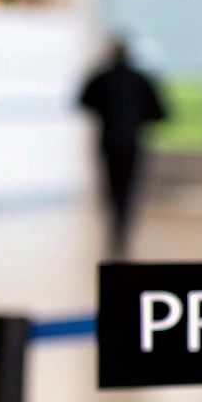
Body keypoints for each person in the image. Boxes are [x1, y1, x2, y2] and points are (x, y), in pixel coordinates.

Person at [77, 39, 166, 259]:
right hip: (132, 144)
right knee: (127, 192)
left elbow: (84, 101)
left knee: (112, 190)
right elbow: (160, 112)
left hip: (108, 143)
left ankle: (115, 233)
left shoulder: (101, 77)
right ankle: (121, 232)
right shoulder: (141, 79)